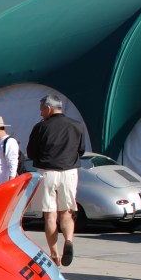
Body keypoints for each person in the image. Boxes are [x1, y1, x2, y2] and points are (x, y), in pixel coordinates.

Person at [26, 93, 85, 267]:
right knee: (66, 212)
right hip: (69, 172)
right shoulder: (77, 126)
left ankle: (55, 254)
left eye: (42, 110)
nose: (41, 113)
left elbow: (31, 153)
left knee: (50, 215)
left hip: (47, 172)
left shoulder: (41, 127)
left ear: (49, 108)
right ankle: (69, 240)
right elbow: (81, 150)